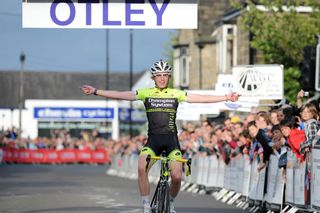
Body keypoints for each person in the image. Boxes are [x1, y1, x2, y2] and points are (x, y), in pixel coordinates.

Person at [81, 60, 241, 213]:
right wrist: (96, 91)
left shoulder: (175, 93)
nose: (162, 78)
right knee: (141, 169)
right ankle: (145, 205)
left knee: (177, 176)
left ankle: (171, 202)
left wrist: (226, 97)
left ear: (169, 77)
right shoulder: (146, 93)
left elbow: (201, 98)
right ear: (154, 78)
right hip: (153, 142)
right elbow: (121, 95)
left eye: (165, 75)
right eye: (159, 75)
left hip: (171, 142)